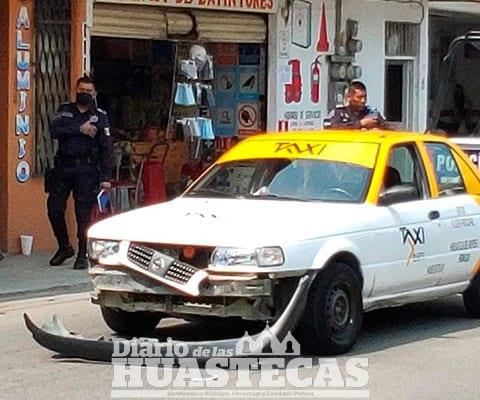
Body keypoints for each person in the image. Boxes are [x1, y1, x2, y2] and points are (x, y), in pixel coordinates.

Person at [46, 76, 112, 270]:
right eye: (81, 90)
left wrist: (106, 177)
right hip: (62, 168)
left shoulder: (100, 116)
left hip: (86, 170)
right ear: (75, 90)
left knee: (83, 214)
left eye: (88, 91)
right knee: (54, 209)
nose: (84, 94)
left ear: (94, 94)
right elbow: (54, 129)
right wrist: (79, 129)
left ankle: (82, 252)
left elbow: (106, 148)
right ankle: (64, 246)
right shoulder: (65, 110)